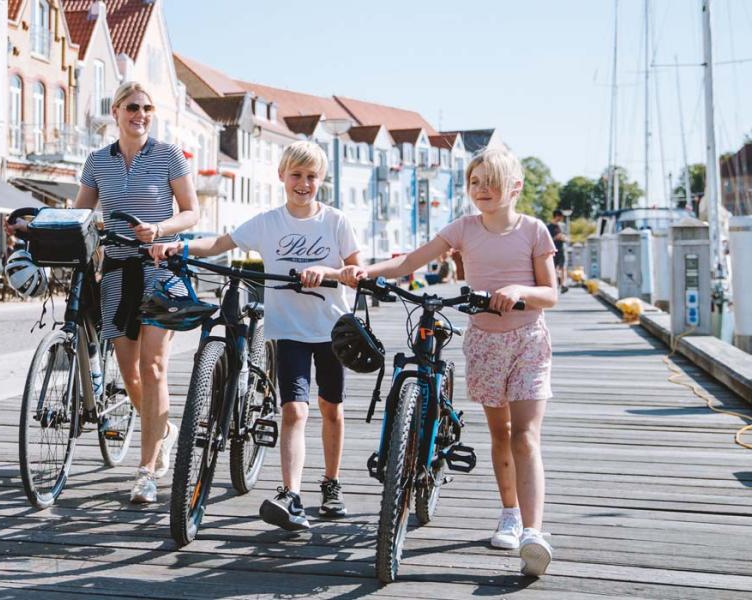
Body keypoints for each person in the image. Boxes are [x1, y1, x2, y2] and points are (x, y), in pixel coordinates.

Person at [346, 147, 558, 576]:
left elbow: (550, 293)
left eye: (492, 182)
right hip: (483, 341)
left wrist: (518, 290)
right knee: (501, 434)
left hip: (527, 341)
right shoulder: (464, 228)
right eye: (475, 182)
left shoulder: (534, 231)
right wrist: (368, 272)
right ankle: (509, 513)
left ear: (515, 187)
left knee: (525, 437)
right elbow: (410, 261)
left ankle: (534, 532)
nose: (482, 189)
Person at [150, 141, 360, 529]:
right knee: (294, 410)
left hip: (331, 329)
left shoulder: (335, 222)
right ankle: (291, 494)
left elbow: (355, 269)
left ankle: (331, 482)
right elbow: (221, 243)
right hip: (290, 332)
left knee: (332, 408)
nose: (303, 183)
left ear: (322, 180)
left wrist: (326, 272)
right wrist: (178, 246)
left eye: (311, 177)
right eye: (296, 175)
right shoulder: (268, 222)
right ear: (282, 176)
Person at [71, 81, 199, 503]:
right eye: (132, 107)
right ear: (116, 111)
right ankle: (161, 428)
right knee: (129, 373)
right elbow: (80, 213)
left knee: (154, 366)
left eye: (146, 107)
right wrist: (43, 226)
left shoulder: (168, 155)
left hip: (161, 268)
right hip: (117, 270)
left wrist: (160, 230)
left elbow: (192, 211)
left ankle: (146, 469)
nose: (139, 114)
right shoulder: (97, 161)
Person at [547, 210, 569, 294]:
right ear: (556, 216)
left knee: (563, 267)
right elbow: (546, 239)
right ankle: (555, 284)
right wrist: (555, 238)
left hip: (563, 249)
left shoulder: (563, 226)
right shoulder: (548, 227)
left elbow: (567, 238)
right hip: (553, 250)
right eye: (560, 217)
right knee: (553, 269)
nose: (561, 219)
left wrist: (564, 238)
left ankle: (563, 285)